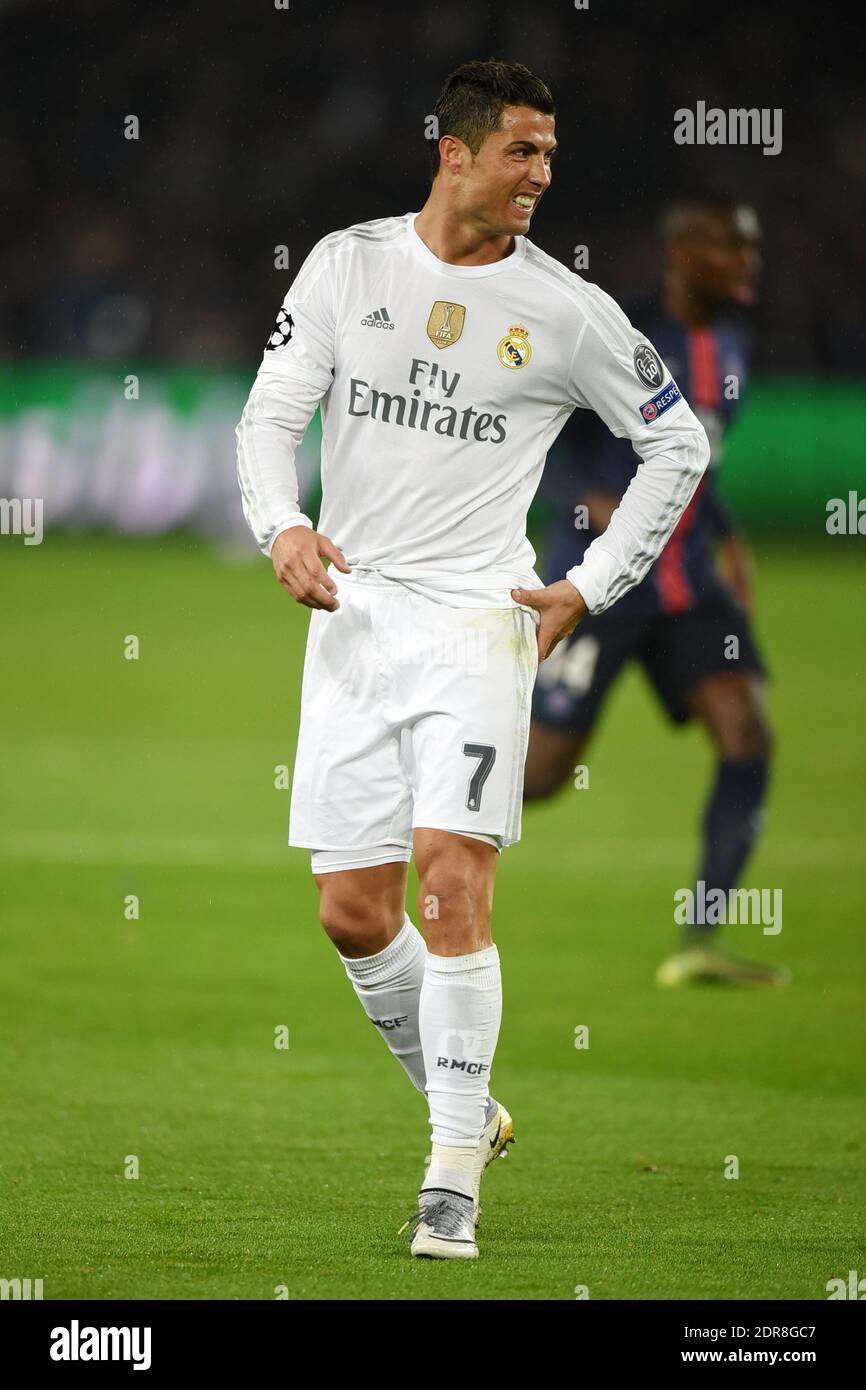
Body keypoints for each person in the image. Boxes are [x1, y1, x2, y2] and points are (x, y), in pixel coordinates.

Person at [236, 59, 709, 1260]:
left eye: (549, 155)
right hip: (354, 617)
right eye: (521, 152)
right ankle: (464, 1106)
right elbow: (267, 416)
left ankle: (449, 1179)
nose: (541, 175)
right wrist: (281, 525)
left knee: (450, 883)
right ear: (452, 151)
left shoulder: (565, 309)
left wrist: (585, 586)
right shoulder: (348, 265)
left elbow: (676, 444)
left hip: (476, 623)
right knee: (353, 911)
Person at [526, 196, 789, 987]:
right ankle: (391, 827)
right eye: (729, 248)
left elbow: (698, 459)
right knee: (538, 778)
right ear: (682, 254)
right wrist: (588, 501)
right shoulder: (615, 332)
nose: (748, 260)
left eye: (751, 246)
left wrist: (729, 530)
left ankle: (702, 937)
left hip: (690, 585)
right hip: (599, 580)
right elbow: (545, 437)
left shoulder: (735, 341)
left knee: (748, 733)